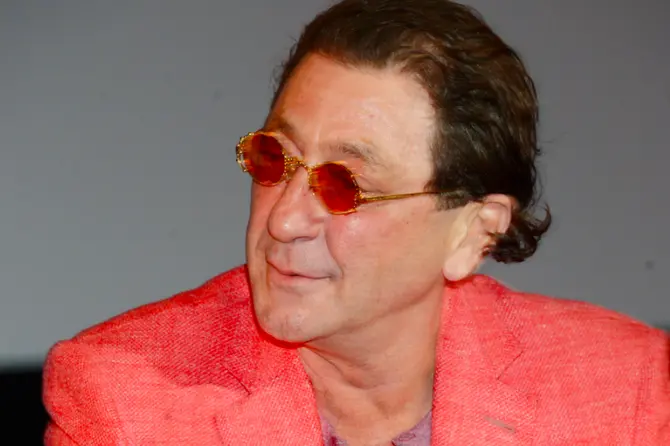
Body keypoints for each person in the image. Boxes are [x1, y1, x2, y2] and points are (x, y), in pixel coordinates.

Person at [43, 0, 669, 444]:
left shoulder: (627, 389)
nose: (284, 220)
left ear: (473, 233)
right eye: (275, 159)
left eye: (346, 186)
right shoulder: (125, 404)